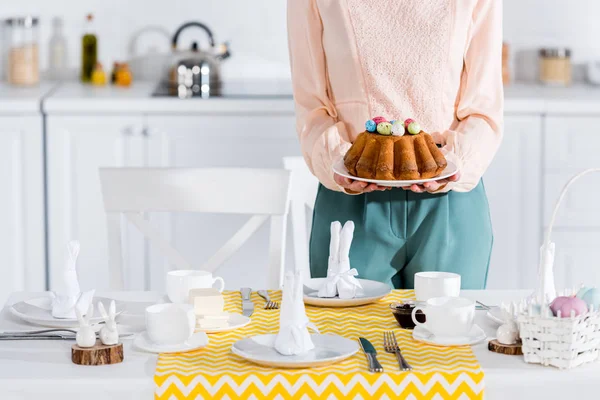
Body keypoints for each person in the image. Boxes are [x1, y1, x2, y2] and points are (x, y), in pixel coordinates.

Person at [287, 1, 503, 289]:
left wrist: (457, 163)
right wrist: (336, 161)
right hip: (351, 199)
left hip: (449, 202)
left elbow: (483, 107)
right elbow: (311, 105)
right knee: (346, 334)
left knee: (450, 331)